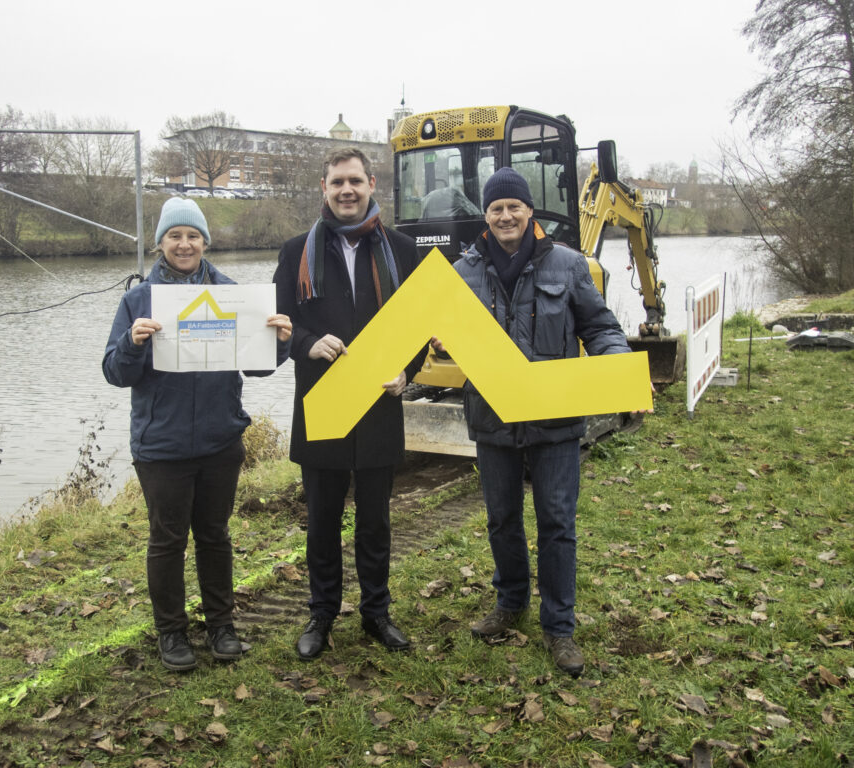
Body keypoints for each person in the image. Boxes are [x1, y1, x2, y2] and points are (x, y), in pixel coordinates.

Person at [437, 167, 634, 677]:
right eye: (496, 208)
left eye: (514, 207)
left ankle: (560, 628)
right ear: (487, 215)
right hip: (493, 420)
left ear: (529, 212)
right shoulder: (461, 273)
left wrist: (617, 367)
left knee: (557, 523)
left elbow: (600, 327)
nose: (506, 216)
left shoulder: (569, 265)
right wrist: (427, 349)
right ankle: (510, 604)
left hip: (555, 420)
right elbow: (431, 335)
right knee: (501, 520)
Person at [103, 197, 291, 672]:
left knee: (214, 535)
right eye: (174, 236)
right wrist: (131, 344)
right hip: (161, 446)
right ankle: (171, 633)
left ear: (205, 242)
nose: (184, 244)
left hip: (219, 440)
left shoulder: (232, 294)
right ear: (160, 243)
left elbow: (258, 367)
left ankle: (221, 626)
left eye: (192, 236)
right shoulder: (137, 300)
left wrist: (280, 343)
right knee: (166, 541)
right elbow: (114, 373)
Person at [274, 148, 426, 660]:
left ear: (371, 184)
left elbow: (419, 327)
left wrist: (409, 370)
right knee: (321, 521)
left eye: (355, 181)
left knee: (376, 522)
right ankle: (321, 615)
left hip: (379, 408)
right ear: (323, 187)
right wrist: (306, 344)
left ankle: (377, 613)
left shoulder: (403, 250)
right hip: (323, 404)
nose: (346, 190)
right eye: (337, 182)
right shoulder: (296, 252)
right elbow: (277, 327)